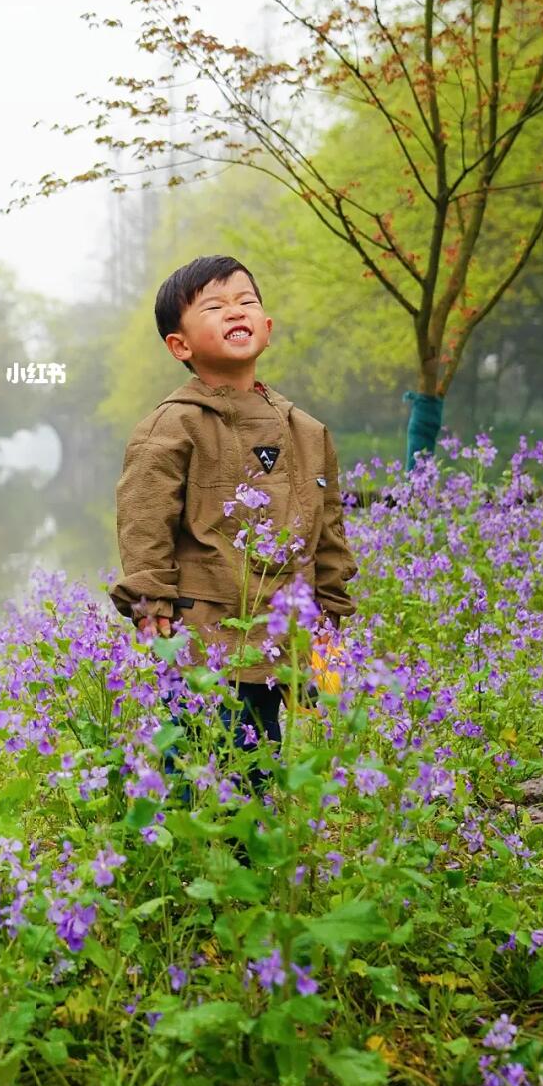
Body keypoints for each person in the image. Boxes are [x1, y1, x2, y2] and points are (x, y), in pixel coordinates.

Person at [107, 255, 357, 781]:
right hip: (204, 638)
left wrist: (329, 611)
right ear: (180, 345)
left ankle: (252, 828)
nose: (236, 312)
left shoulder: (308, 431)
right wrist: (150, 600)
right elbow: (144, 519)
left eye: (246, 301)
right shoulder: (173, 425)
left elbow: (328, 527)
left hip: (279, 636)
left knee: (260, 759)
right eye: (215, 307)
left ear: (267, 326)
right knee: (198, 763)